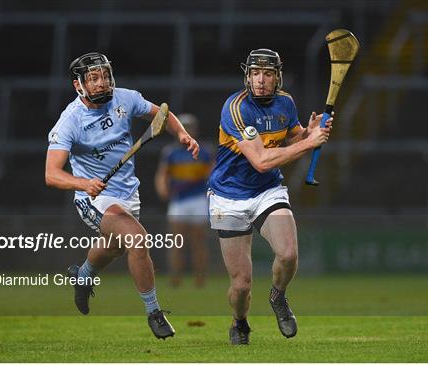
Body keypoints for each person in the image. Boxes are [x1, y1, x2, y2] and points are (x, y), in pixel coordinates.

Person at [45, 52, 199, 340]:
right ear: (78, 85)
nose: (102, 83)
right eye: (93, 79)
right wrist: (83, 183)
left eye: (105, 75)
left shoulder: (125, 99)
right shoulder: (70, 121)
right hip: (93, 197)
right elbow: (51, 174)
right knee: (137, 239)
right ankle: (154, 312)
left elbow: (162, 114)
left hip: (128, 192)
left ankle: (83, 275)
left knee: (114, 248)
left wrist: (180, 135)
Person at [207, 48, 332, 345]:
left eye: (267, 73)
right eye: (255, 73)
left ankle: (278, 296)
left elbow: (292, 138)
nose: (260, 80)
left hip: (267, 190)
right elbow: (261, 160)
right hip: (229, 196)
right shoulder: (236, 108)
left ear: (278, 76)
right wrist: (308, 144)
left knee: (288, 254)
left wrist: (307, 134)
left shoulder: (286, 103)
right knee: (241, 285)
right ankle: (239, 322)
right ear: (247, 76)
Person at [154, 114, 213, 288]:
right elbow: (162, 174)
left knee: (198, 242)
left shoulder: (204, 151)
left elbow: (213, 172)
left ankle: (200, 278)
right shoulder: (170, 152)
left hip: (198, 200)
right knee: (176, 242)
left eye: (191, 127)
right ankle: (175, 278)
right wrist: (162, 189)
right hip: (178, 201)